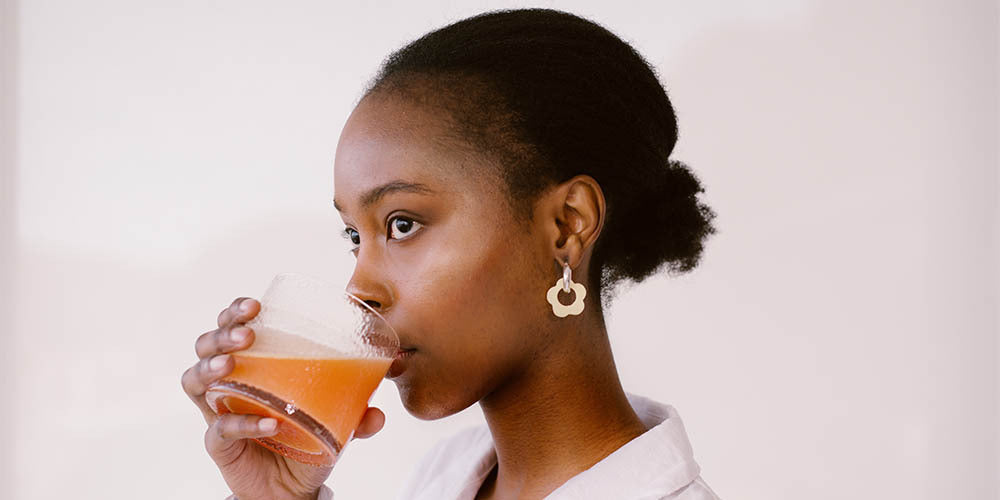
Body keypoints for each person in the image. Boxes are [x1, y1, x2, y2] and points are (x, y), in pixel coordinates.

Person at [182, 7, 720, 500]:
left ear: (567, 225)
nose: (359, 291)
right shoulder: (443, 476)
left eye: (402, 224)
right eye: (354, 236)